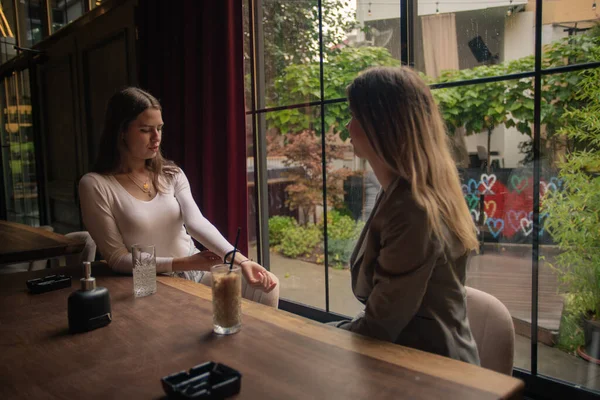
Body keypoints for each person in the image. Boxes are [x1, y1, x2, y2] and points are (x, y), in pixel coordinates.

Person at [331, 66, 480, 364]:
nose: (348, 127)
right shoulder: (399, 192)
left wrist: (318, 336)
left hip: (432, 372)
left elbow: (379, 327)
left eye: (356, 116)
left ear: (381, 127)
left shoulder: (412, 209)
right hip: (407, 356)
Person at [78, 87, 278, 306]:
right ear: (121, 131)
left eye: (159, 128)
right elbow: (117, 259)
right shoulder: (96, 185)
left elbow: (196, 223)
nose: (156, 138)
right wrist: (184, 263)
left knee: (266, 287)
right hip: (148, 283)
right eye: (146, 130)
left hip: (195, 272)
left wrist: (241, 260)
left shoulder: (170, 173)